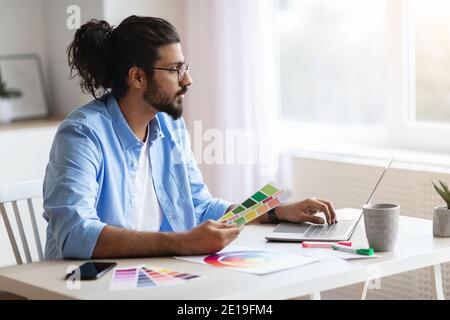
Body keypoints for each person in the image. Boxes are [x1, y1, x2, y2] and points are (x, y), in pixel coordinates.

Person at [43, 16, 337, 260]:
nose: (187, 80)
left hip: (154, 276)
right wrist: (182, 242)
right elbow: (75, 233)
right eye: (175, 70)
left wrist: (275, 212)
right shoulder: (83, 134)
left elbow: (199, 205)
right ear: (137, 77)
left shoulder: (169, 127)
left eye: (185, 67)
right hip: (90, 287)